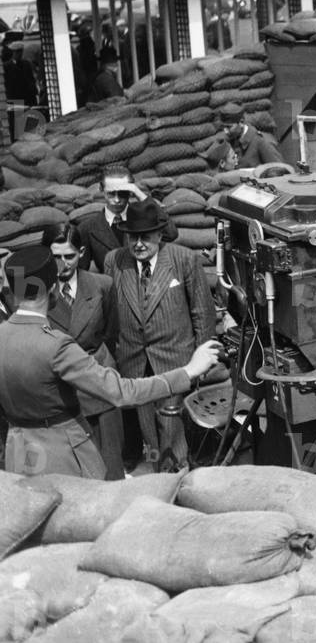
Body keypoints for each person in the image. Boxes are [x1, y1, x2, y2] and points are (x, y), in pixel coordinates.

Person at [0, 246, 221, 478]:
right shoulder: (56, 345)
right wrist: (188, 371)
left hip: (19, 455)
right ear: (54, 288)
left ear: (13, 292)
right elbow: (122, 392)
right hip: (65, 461)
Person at [104, 198, 217, 473]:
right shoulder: (114, 262)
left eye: (145, 237)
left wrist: (201, 360)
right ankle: (159, 476)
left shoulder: (182, 259)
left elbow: (202, 311)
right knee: (147, 431)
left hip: (176, 359)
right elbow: (108, 315)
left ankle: (179, 475)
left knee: (172, 424)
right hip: (134, 363)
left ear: (158, 234)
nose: (138, 244)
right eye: (132, 237)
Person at [43, 223, 124, 479]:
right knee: (72, 472)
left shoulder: (102, 285)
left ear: (81, 253)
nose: (63, 264)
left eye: (69, 256)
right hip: (61, 386)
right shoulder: (35, 292)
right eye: (55, 257)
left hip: (99, 380)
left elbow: (111, 332)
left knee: (109, 466)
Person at [78, 165, 175, 273]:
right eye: (111, 193)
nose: (117, 199)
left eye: (122, 193)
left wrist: (139, 194)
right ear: (101, 189)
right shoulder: (88, 227)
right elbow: (81, 271)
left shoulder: (144, 217)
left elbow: (171, 234)